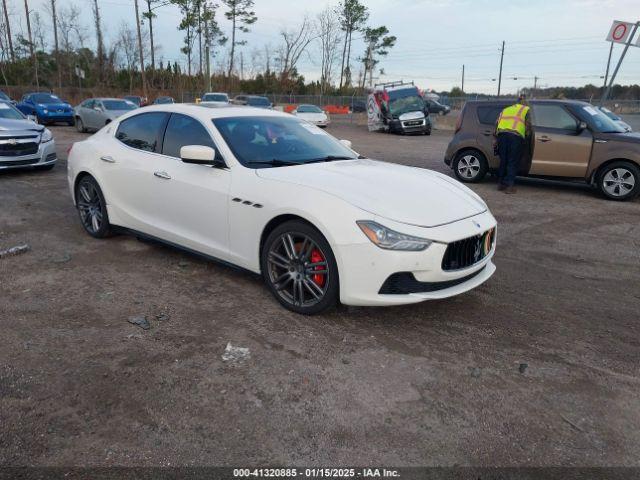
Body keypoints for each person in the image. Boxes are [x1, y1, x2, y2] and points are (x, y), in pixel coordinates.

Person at [494, 95, 531, 194]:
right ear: (525, 103)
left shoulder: (506, 110)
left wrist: (496, 138)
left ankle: (500, 184)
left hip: (502, 136)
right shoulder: (525, 110)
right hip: (515, 137)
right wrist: (527, 137)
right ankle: (509, 186)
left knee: (503, 160)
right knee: (512, 161)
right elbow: (528, 126)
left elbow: (496, 123)